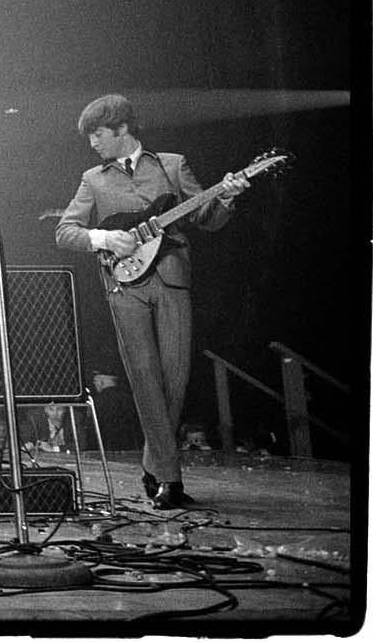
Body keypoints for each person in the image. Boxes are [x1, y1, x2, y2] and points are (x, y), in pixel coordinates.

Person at [54, 94, 246, 509]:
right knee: (144, 380)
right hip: (124, 288)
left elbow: (206, 218)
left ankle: (151, 465)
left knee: (173, 381)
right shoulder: (94, 179)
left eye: (98, 134)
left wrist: (226, 197)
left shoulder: (172, 166)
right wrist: (104, 238)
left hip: (172, 279)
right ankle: (171, 482)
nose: (93, 142)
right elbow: (65, 231)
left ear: (122, 129)